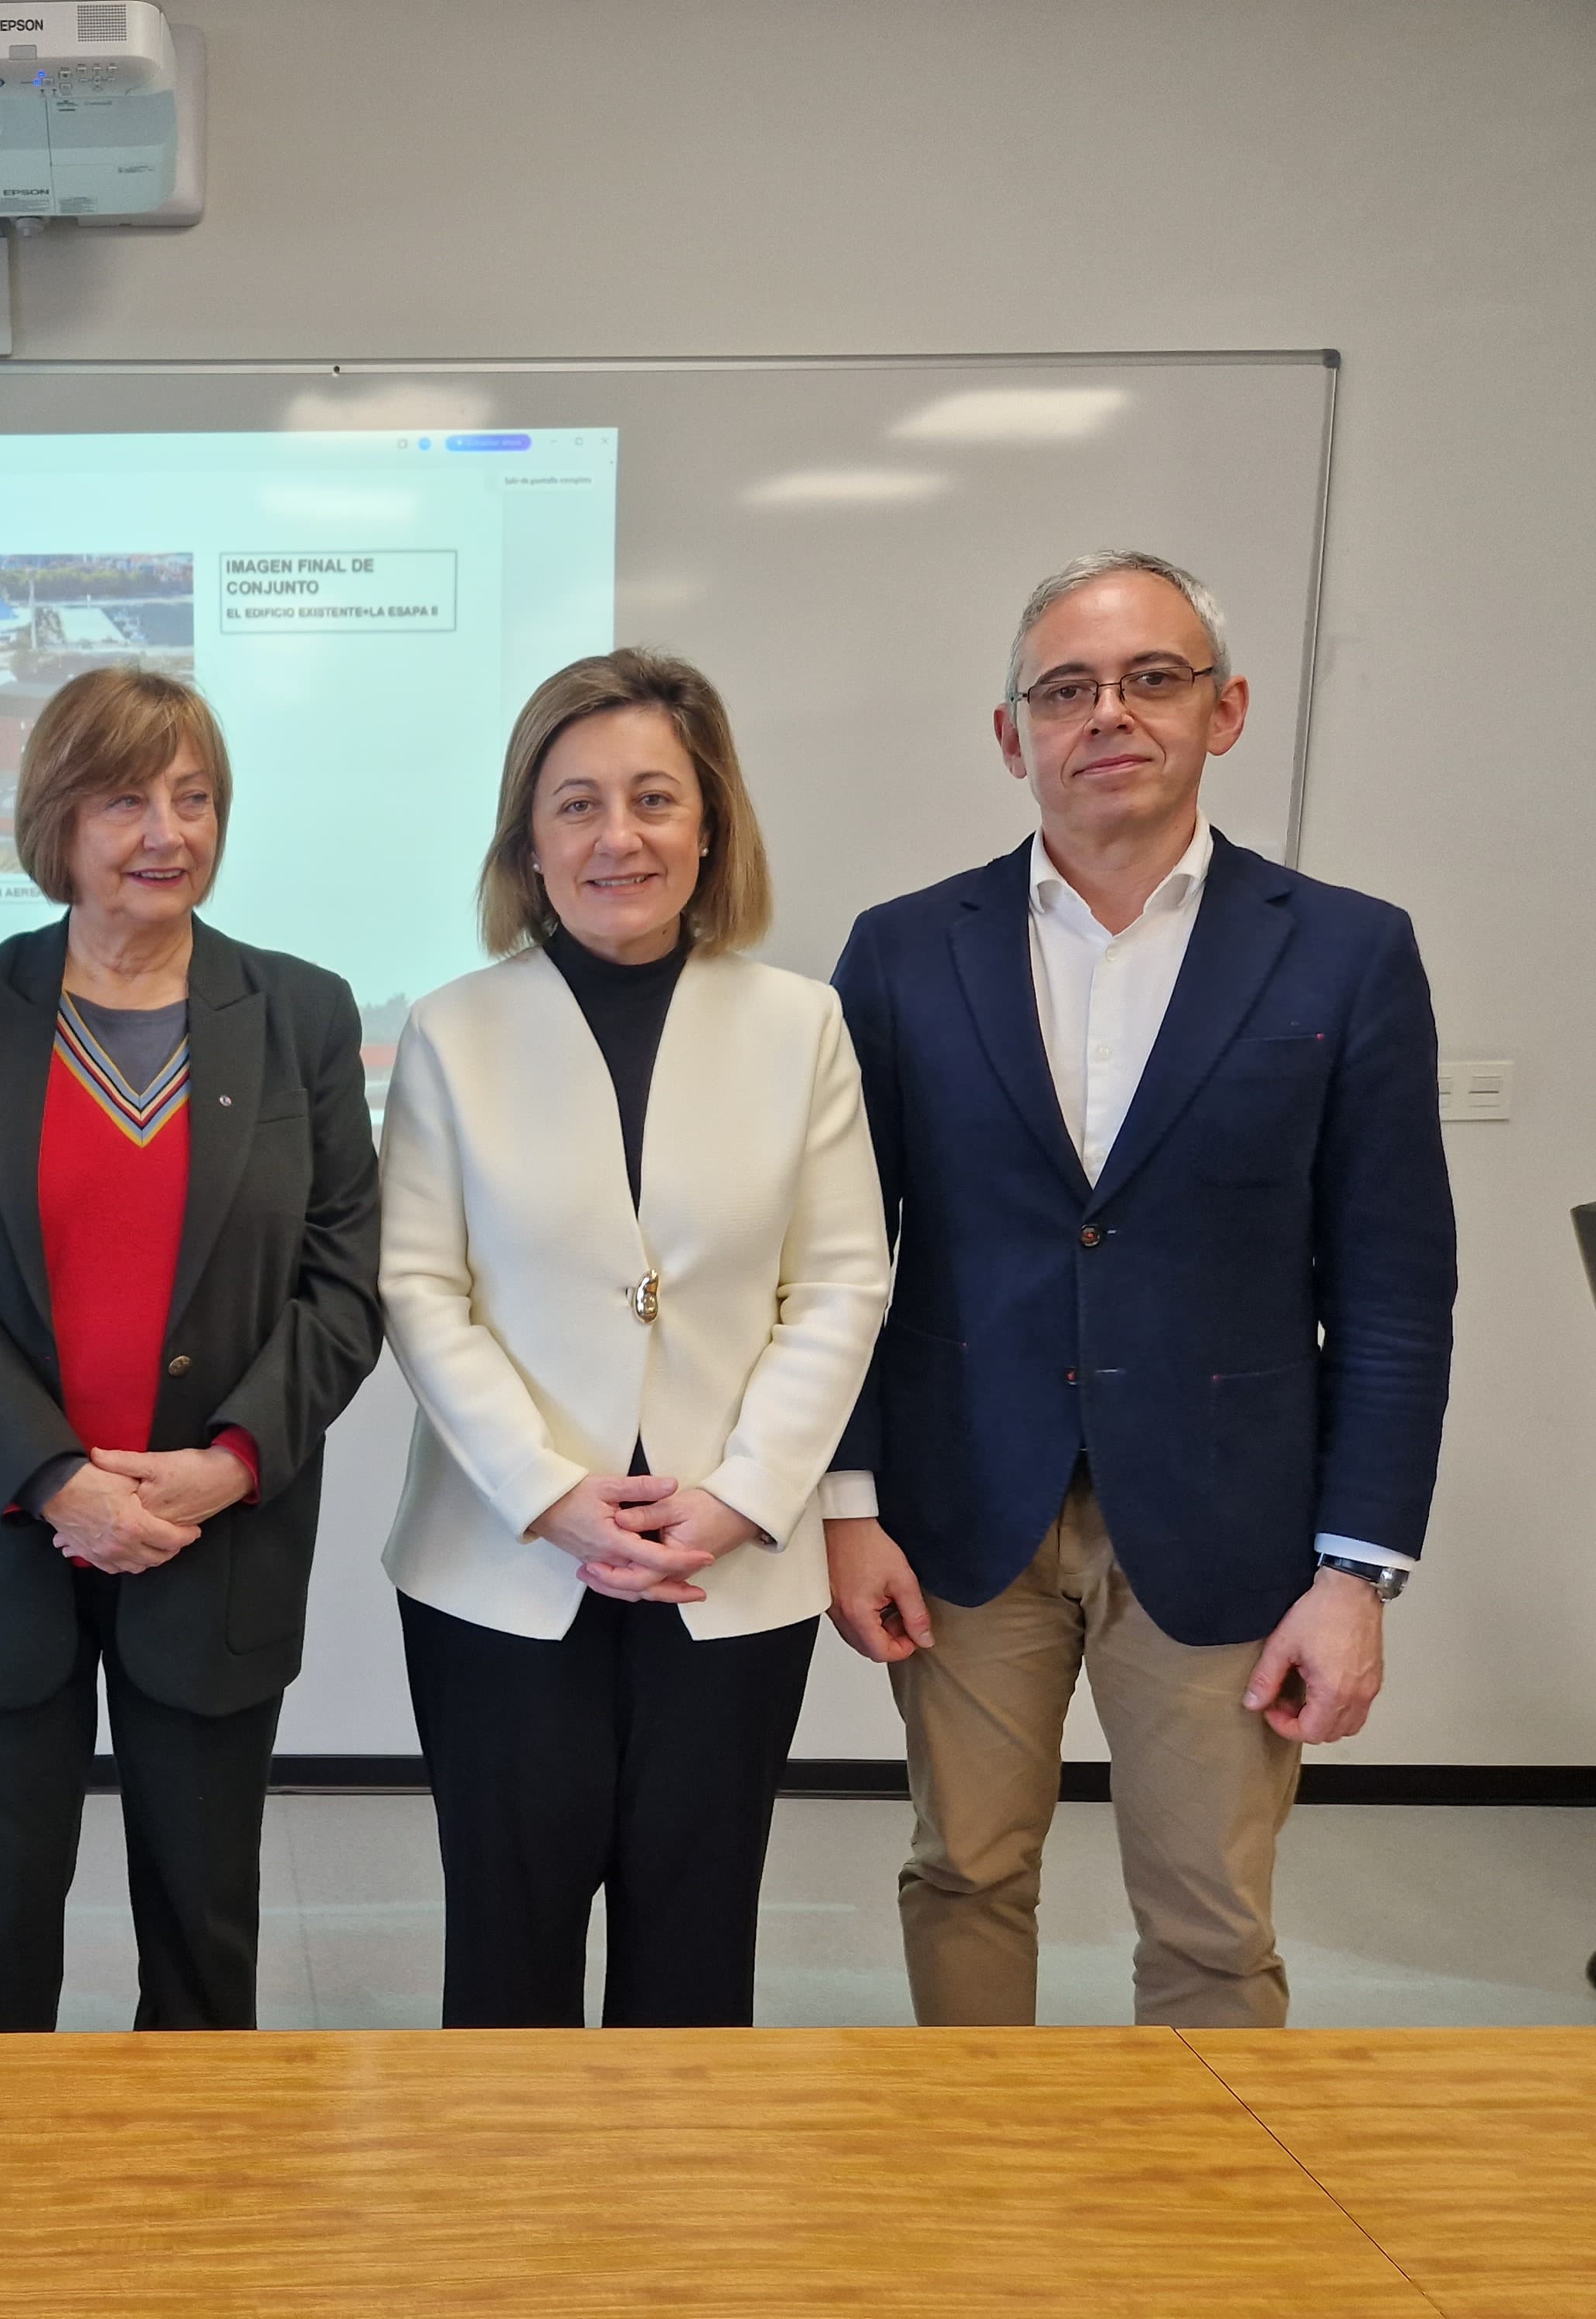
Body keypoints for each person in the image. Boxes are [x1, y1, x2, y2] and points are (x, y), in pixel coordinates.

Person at [822, 550, 1455, 2028]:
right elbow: (840, 1256)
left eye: (1151, 678)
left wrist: (1356, 1576)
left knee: (1213, 1923)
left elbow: (1393, 1288)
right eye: (1066, 690)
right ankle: (981, 2153)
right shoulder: (904, 952)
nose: (1108, 713)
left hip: (1230, 1518)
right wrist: (846, 1505)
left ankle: (1207, 2179)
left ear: (1224, 710)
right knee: (965, 1873)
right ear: (1013, 736)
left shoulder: (1347, 952)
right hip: (965, 1510)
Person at [0, 666, 382, 2033]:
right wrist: (55, 1480)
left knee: (206, 1931)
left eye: (194, 798)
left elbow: (344, 1281)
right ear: (56, 819)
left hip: (215, 1539)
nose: (167, 832)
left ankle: (202, 2167)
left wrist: (230, 1465)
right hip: (1, 1535)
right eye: (125, 801)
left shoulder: (303, 1015)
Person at [378, 649, 889, 2029]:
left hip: (730, 1568)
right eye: (579, 805)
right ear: (528, 846)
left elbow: (840, 1284)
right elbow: (420, 1288)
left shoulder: (800, 1024)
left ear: (710, 825)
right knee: (508, 1952)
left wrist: (745, 1494)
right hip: (503, 1565)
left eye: (656, 799)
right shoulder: (451, 1031)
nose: (621, 837)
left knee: (695, 1955)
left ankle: (680, 2180)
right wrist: (549, 1492)